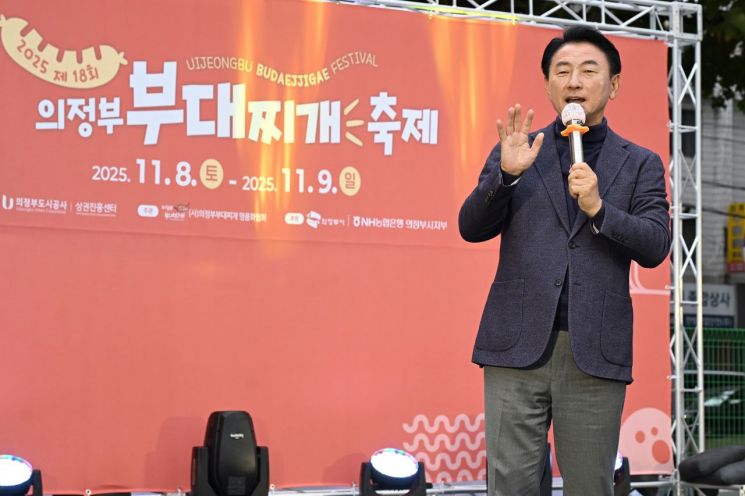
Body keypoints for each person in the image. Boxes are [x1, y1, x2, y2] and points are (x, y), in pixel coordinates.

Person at [458, 26, 671, 495]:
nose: (574, 81)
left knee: (590, 486)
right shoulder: (518, 150)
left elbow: (657, 245)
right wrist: (506, 178)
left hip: (594, 349)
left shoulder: (641, 163)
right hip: (515, 346)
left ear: (614, 85)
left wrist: (600, 209)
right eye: (562, 71)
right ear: (548, 84)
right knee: (510, 485)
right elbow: (471, 226)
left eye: (588, 70)